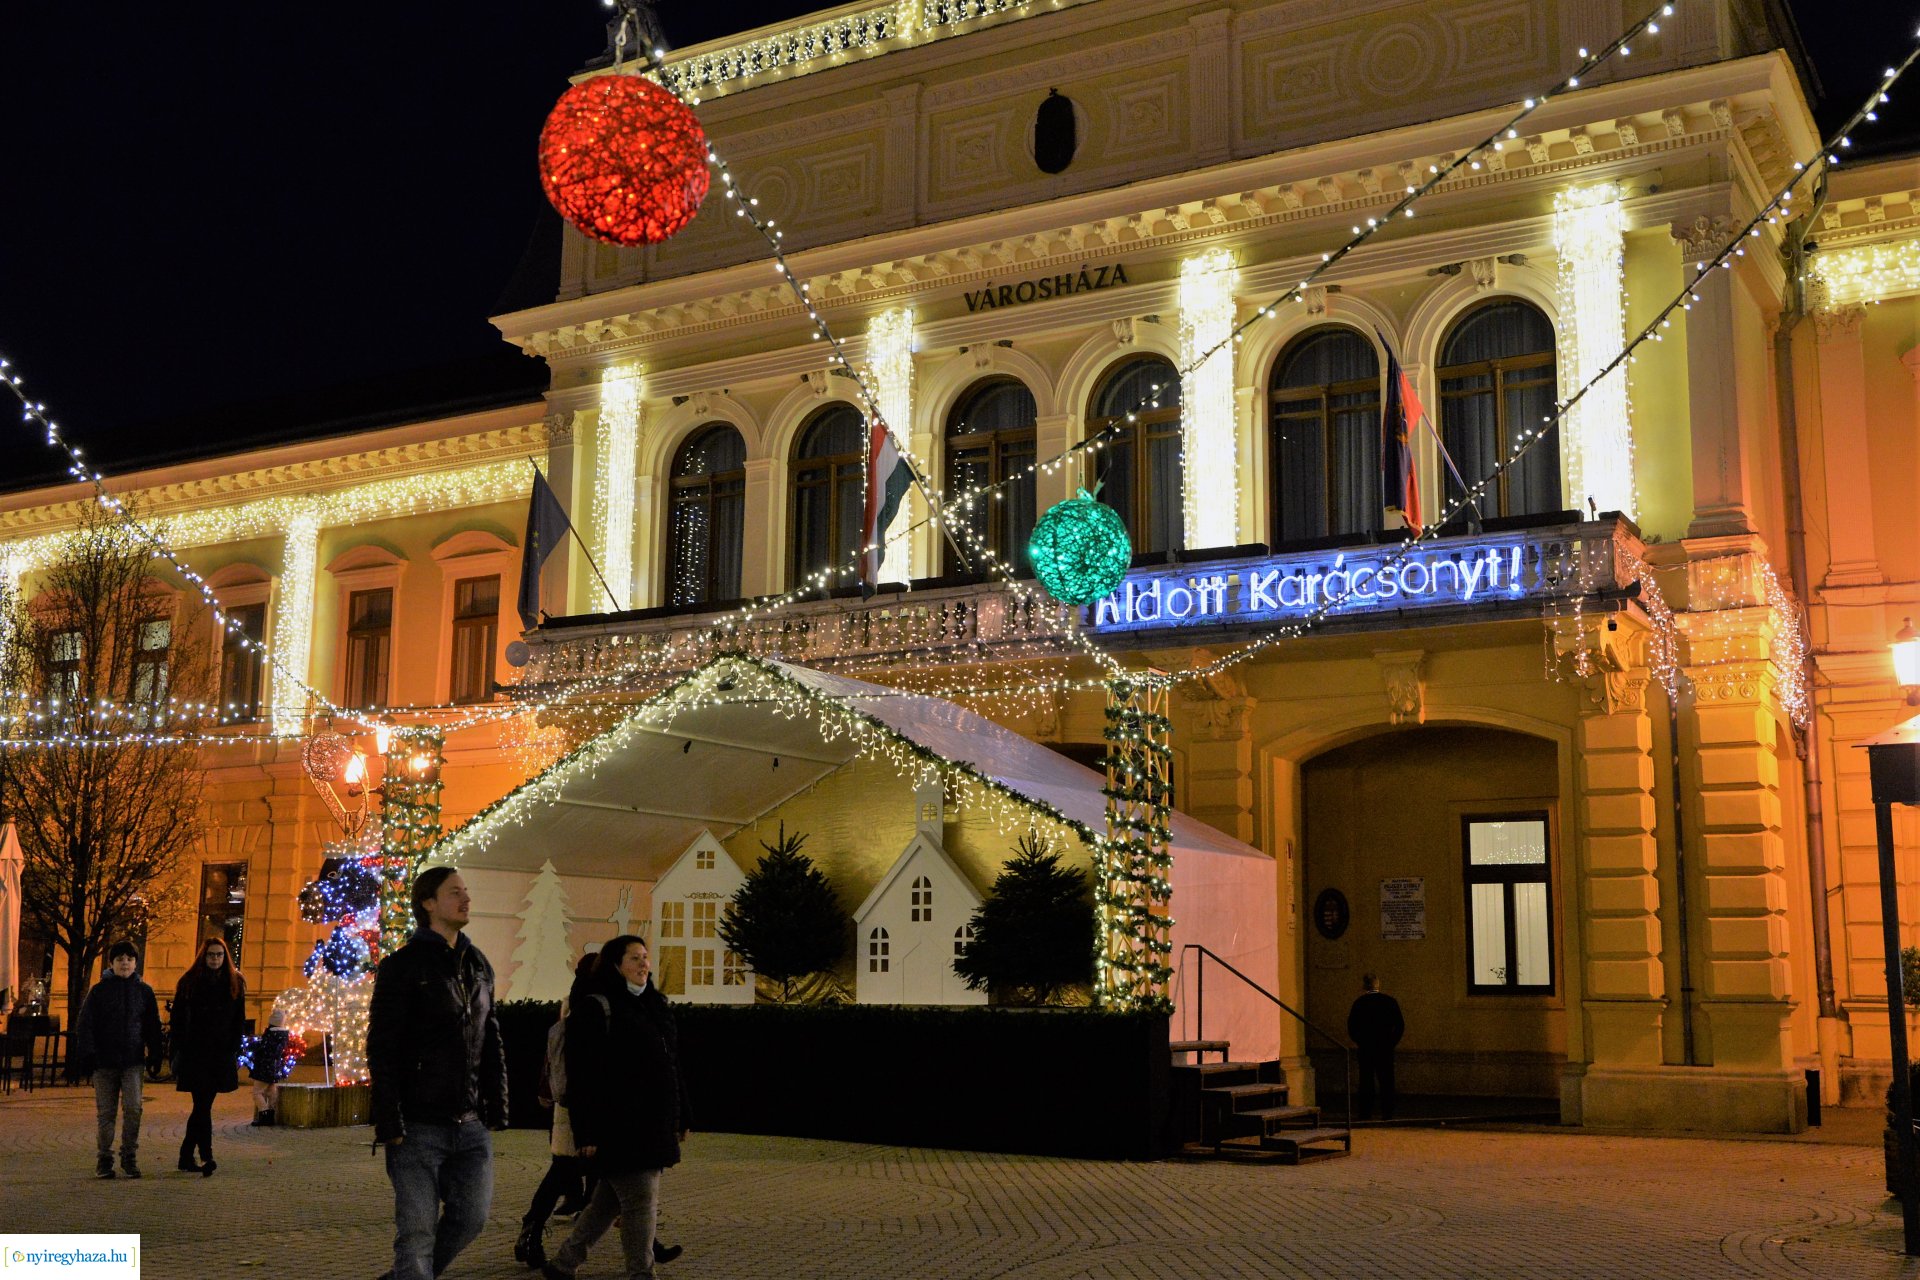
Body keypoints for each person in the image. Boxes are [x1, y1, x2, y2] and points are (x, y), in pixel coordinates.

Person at [368, 867, 507, 1280]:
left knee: (471, 1219)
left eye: (466, 892)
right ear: (427, 903)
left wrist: (496, 1103)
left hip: (470, 1124)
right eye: (454, 893)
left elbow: (490, 1034)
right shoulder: (403, 966)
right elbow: (383, 1045)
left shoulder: (477, 964)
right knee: (416, 1232)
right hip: (417, 1126)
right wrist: (388, 1117)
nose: (466, 899)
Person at [540, 936, 689, 1280]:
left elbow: (672, 1066)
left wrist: (683, 1115)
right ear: (615, 965)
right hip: (619, 1126)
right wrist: (586, 1130)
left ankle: (564, 1263)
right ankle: (641, 1273)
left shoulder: (654, 1005)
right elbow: (583, 1076)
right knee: (640, 1205)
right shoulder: (596, 1009)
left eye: (645, 957)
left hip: (653, 1123)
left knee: (607, 1203)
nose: (643, 964)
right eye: (634, 958)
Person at [70, 940, 163, 1179]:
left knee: (134, 1109)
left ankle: (129, 1157)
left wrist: (155, 1053)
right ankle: (104, 1160)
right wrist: (87, 1055)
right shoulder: (99, 991)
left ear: (135, 963)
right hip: (104, 1062)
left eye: (130, 959)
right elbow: (86, 1024)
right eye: (120, 959)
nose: (125, 963)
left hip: (132, 1061)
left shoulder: (144, 991)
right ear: (111, 963)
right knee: (106, 1114)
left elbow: (153, 1025)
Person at [172, 937, 247, 1175]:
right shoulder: (189, 982)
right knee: (202, 1105)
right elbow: (177, 1020)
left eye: (219, 955)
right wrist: (176, 1050)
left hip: (220, 1054)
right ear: (203, 957)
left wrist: (234, 1049)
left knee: (202, 1106)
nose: (215, 959)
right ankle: (206, 1156)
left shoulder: (234, 982)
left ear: (225, 958)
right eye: (211, 955)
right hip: (195, 1054)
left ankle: (187, 1155)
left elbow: (239, 1020)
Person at [1347, 973, 1405, 1121]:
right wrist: (1391, 1042)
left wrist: (1360, 1041)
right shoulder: (1390, 1002)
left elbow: (1352, 1027)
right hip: (1385, 1047)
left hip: (1366, 1048)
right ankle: (1387, 1113)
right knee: (1387, 1081)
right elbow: (1399, 1025)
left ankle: (1365, 1113)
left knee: (1366, 1081)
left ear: (1364, 986)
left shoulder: (1359, 1003)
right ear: (1378, 985)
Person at [249, 1008, 292, 1126]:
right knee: (271, 1091)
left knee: (257, 1093)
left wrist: (255, 1046)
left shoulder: (271, 1035)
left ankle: (265, 1115)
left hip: (264, 1068)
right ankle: (271, 1115)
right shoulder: (282, 1035)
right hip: (274, 1067)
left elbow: (263, 1050)